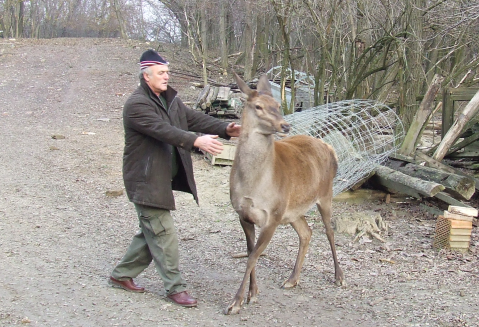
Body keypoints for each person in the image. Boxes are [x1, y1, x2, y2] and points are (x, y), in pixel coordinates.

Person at [109, 49, 241, 307]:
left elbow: (191, 118)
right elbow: (165, 131)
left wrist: (225, 128)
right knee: (163, 233)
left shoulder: (169, 100)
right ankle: (175, 288)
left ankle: (121, 275)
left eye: (167, 71)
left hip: (159, 180)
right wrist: (196, 140)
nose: (167, 76)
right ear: (147, 76)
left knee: (152, 231)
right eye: (162, 72)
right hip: (145, 181)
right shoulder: (137, 105)